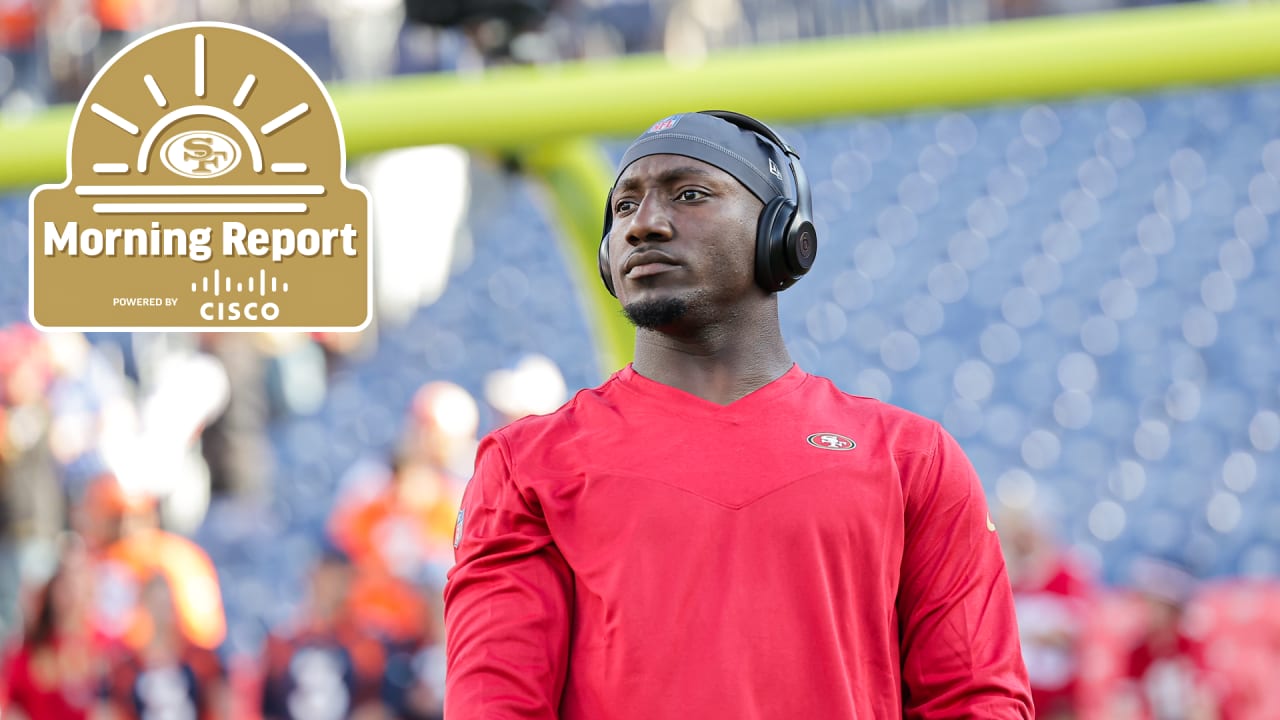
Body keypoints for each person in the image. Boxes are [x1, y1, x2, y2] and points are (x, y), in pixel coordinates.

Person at [443, 110, 1033, 718]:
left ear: (781, 234)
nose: (643, 225)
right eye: (623, 208)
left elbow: (975, 699)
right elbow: (495, 705)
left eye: (690, 194)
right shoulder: (526, 465)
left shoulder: (912, 460)